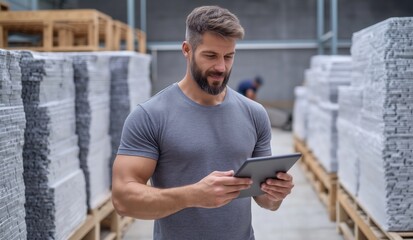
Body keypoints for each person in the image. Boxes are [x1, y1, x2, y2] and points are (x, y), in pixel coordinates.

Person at [112, 5, 294, 240]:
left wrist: (275, 193)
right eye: (210, 55)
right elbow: (123, 199)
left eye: (228, 56)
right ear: (187, 50)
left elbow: (266, 200)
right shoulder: (150, 116)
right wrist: (192, 195)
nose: (221, 67)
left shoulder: (254, 113)